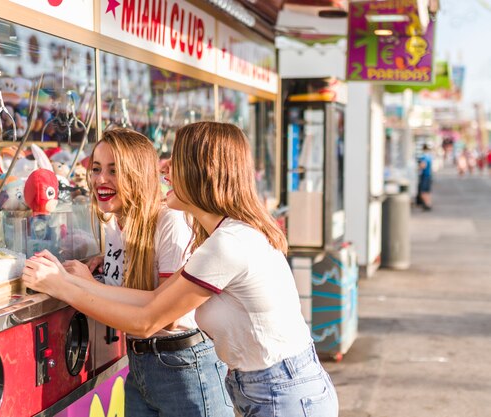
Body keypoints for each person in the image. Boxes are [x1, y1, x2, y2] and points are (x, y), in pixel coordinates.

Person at [23, 122, 338, 417]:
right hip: (270, 386)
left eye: (175, 161)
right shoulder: (223, 237)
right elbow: (155, 299)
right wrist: (70, 281)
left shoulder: (227, 244)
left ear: (202, 173)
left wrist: (63, 287)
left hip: (281, 391)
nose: (162, 168)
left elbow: (147, 320)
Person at [60, 128, 233, 417]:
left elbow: (165, 314)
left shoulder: (170, 222)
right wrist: (103, 264)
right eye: (97, 169)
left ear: (136, 174)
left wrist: (82, 286)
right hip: (139, 364)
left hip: (184, 366)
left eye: (114, 170)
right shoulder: (116, 224)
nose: (101, 179)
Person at [417, 144, 433, 211]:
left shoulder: (424, 157)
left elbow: (423, 165)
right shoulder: (429, 156)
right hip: (429, 175)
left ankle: (427, 204)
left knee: (423, 191)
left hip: (424, 175)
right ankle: (429, 203)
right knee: (427, 191)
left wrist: (417, 168)